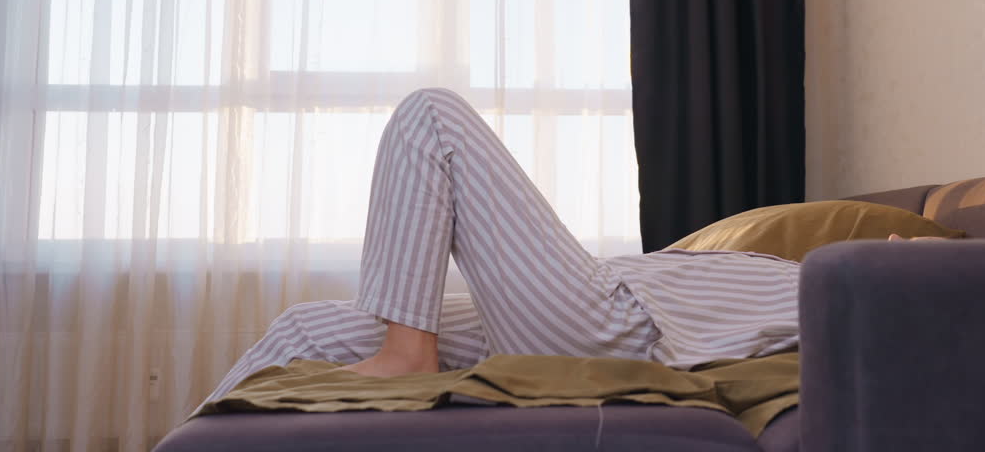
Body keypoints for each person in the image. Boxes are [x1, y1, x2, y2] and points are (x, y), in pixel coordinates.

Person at [205, 88, 805, 402]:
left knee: (432, 118)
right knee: (305, 328)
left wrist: (899, 256)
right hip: (611, 296)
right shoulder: (825, 266)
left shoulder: (867, 279)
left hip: (626, 326)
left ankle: (407, 355)